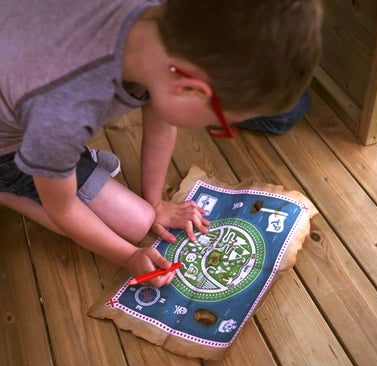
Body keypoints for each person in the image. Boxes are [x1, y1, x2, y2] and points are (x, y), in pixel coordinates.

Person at [0, 0, 322, 287]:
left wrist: (155, 204)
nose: (222, 127)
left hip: (31, 68)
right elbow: (63, 208)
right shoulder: (62, 108)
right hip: (10, 146)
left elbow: (163, 115)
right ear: (189, 88)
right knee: (134, 221)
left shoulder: (168, 28)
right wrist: (128, 256)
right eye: (223, 123)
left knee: (142, 214)